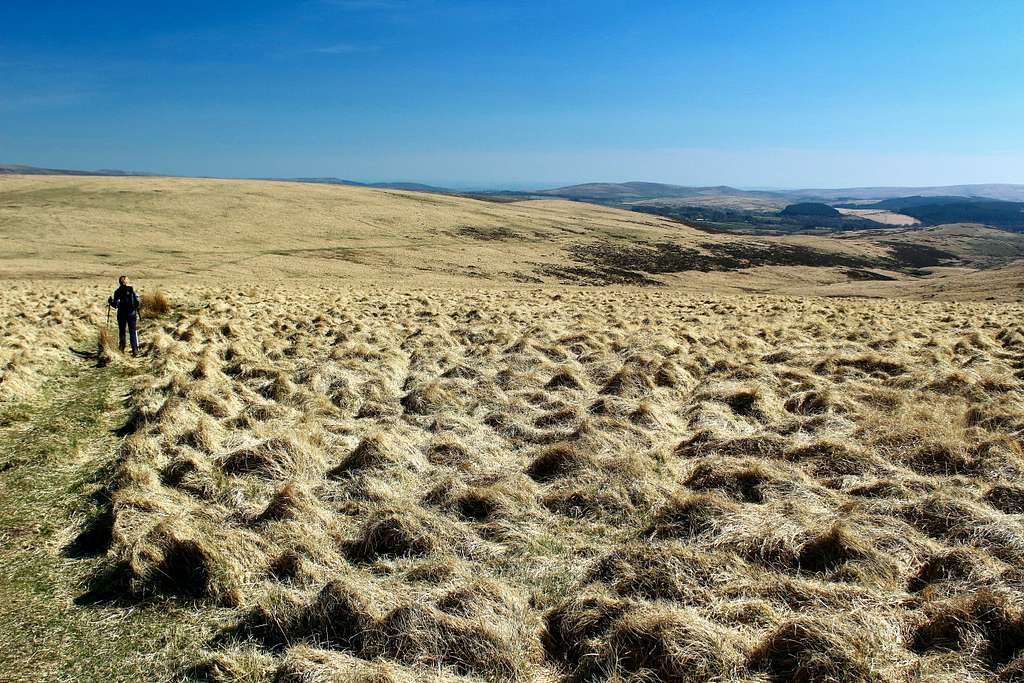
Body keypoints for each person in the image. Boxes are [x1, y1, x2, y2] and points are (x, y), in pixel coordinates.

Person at [108, 275, 140, 355]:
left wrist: (110, 302)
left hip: (121, 314)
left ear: (119, 282)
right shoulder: (132, 290)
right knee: (132, 331)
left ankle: (122, 349)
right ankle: (135, 349)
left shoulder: (117, 292)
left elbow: (115, 305)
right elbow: (137, 303)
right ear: (127, 282)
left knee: (122, 331)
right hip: (132, 313)